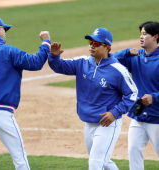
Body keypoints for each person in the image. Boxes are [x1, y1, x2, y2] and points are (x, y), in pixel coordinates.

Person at [48, 28, 138, 170]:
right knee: (104, 162)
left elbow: (132, 94)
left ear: (107, 47)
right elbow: (60, 66)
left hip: (107, 124)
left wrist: (115, 112)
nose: (91, 45)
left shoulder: (117, 69)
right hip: (88, 123)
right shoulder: (82, 63)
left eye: (96, 43)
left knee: (95, 163)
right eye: (90, 42)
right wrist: (54, 57)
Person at [0, 16, 51, 170]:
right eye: (4, 29)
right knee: (19, 157)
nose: (6, 33)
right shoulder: (7, 50)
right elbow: (36, 62)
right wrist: (45, 43)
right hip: (2, 114)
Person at [113, 21, 159, 170]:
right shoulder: (135, 56)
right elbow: (111, 61)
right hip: (139, 115)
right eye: (141, 33)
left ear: (155, 37)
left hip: (157, 117)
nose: (141, 37)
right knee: (133, 150)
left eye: (145, 34)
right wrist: (125, 52)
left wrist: (154, 97)